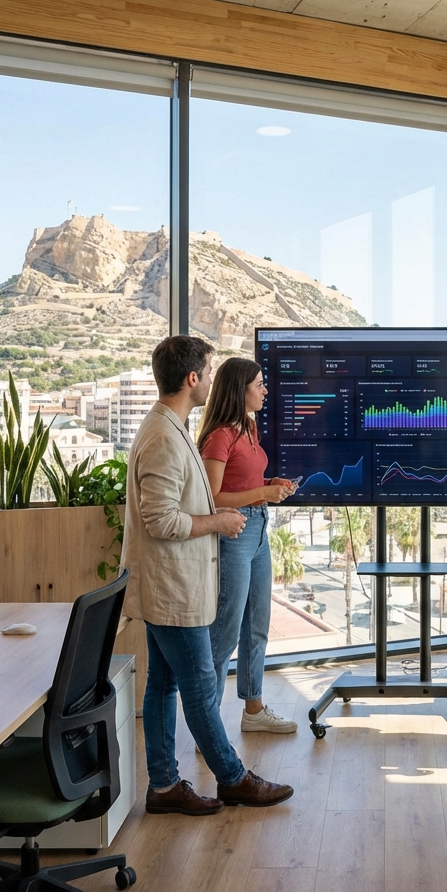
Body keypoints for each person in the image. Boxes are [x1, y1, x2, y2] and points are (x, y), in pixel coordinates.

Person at [121, 335, 294, 816]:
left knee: (162, 685)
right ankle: (234, 779)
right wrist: (218, 522)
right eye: (210, 372)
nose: (214, 381)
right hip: (171, 585)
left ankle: (163, 785)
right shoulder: (161, 437)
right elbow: (161, 520)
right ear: (193, 378)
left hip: (170, 583)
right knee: (198, 681)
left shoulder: (169, 427)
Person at [198, 357, 297, 734]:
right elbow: (212, 497)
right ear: (239, 390)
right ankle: (208, 727)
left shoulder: (249, 428)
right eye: (258, 384)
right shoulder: (220, 435)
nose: (265, 390)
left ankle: (253, 710)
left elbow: (244, 479)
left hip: (258, 532)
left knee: (257, 627)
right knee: (224, 633)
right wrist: (264, 492)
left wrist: (271, 480)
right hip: (233, 536)